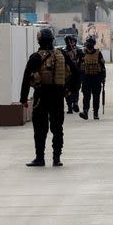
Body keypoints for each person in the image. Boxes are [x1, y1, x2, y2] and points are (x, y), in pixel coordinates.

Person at [20, 28, 79, 167]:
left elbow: (26, 78)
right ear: (52, 39)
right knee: (57, 128)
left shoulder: (36, 57)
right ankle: (56, 158)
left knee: (40, 129)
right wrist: (71, 90)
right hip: (58, 96)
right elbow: (76, 72)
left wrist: (23, 99)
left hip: (41, 96)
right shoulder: (61, 54)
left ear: (39, 40)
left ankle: (40, 158)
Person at [79, 36, 106, 120]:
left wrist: (103, 77)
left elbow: (102, 67)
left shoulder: (98, 53)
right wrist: (81, 78)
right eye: (88, 43)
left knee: (96, 96)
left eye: (91, 43)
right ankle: (85, 112)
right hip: (86, 78)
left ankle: (95, 113)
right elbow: (79, 66)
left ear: (93, 44)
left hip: (96, 78)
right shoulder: (82, 53)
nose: (89, 45)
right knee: (86, 96)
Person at [63, 35, 83, 114]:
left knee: (74, 90)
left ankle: (74, 104)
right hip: (68, 74)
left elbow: (82, 61)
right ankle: (71, 106)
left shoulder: (78, 51)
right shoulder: (65, 51)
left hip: (75, 74)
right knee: (69, 90)